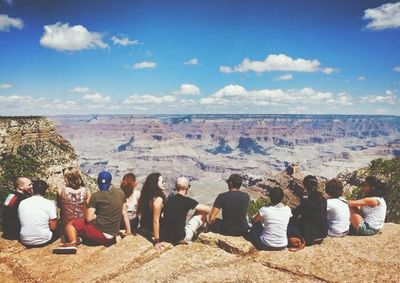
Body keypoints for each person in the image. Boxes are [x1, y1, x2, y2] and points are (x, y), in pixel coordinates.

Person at [53, 171, 126, 254]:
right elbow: (124, 212)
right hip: (111, 234)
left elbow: (88, 218)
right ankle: (79, 238)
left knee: (71, 224)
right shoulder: (87, 192)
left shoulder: (61, 191)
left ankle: (72, 243)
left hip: (98, 233)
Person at [162, 177, 211, 245]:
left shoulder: (169, 199)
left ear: (176, 187)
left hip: (166, 237)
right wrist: (208, 220)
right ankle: (204, 231)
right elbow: (208, 209)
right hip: (181, 238)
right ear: (187, 188)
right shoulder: (188, 201)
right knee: (201, 212)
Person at [287, 175, 328, 247]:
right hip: (322, 235)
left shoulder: (306, 202)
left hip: (310, 237)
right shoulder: (324, 200)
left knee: (290, 226)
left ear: (305, 186)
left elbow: (295, 215)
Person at [18, 180, 58, 247]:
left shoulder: (22, 202)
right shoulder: (49, 203)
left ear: (33, 190)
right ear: (45, 190)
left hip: (25, 240)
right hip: (43, 241)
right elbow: (53, 227)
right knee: (59, 225)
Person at [57, 167, 91, 242]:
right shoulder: (86, 192)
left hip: (67, 230)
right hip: (82, 227)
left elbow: (59, 206)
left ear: (66, 178)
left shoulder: (61, 191)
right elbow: (89, 208)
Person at [137, 172, 166, 250]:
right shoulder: (158, 199)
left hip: (144, 227)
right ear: (155, 183)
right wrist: (157, 241)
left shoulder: (146, 195)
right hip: (152, 230)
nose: (164, 183)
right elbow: (155, 221)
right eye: (162, 182)